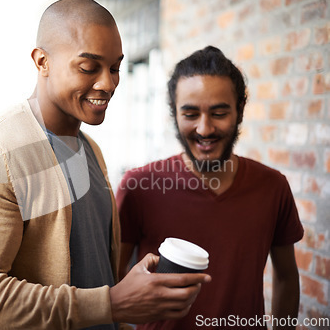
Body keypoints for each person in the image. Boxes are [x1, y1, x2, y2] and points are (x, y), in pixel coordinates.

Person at [0, 0, 210, 329]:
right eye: (89, 67)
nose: (109, 83)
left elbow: (93, 270)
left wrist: (134, 293)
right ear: (42, 61)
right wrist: (113, 303)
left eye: (115, 68)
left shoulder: (90, 150)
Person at [116, 46, 304, 330]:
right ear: (174, 115)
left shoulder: (273, 186)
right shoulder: (138, 186)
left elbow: (287, 278)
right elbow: (114, 284)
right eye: (190, 114)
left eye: (219, 113)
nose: (204, 129)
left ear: (240, 111)